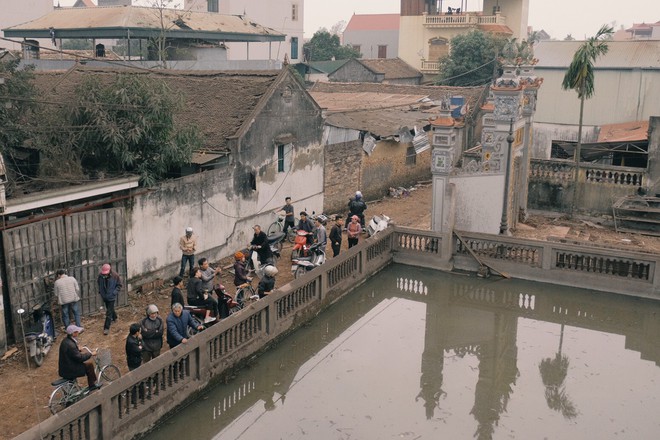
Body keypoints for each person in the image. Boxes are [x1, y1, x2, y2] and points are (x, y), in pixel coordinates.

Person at [58, 324, 100, 390]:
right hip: (71, 369)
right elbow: (80, 358)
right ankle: (92, 385)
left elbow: (70, 353)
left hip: (64, 368)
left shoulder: (65, 341)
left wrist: (77, 349)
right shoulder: (71, 345)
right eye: (77, 332)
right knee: (89, 365)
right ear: (73, 333)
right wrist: (90, 353)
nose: (78, 333)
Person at [98, 263, 122, 336]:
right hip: (105, 296)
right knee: (110, 309)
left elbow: (119, 285)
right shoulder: (100, 276)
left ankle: (106, 328)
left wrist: (114, 293)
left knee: (108, 313)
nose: (105, 275)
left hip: (111, 297)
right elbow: (99, 283)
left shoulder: (115, 276)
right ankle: (115, 317)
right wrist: (101, 291)